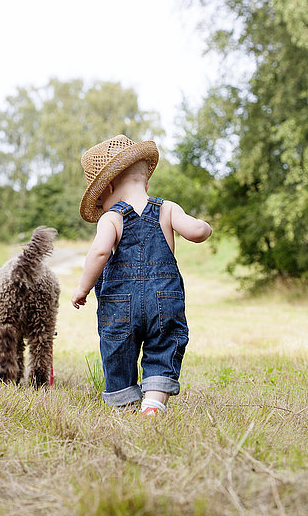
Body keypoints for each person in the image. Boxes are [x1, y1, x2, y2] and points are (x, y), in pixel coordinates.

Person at [72, 135, 212, 415]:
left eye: (101, 200)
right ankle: (154, 402)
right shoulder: (168, 209)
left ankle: (124, 402)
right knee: (164, 343)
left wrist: (83, 288)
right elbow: (196, 232)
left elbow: (99, 253)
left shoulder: (111, 218)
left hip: (119, 305)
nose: (102, 206)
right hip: (165, 300)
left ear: (108, 187)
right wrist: (206, 227)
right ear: (145, 183)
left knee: (117, 347)